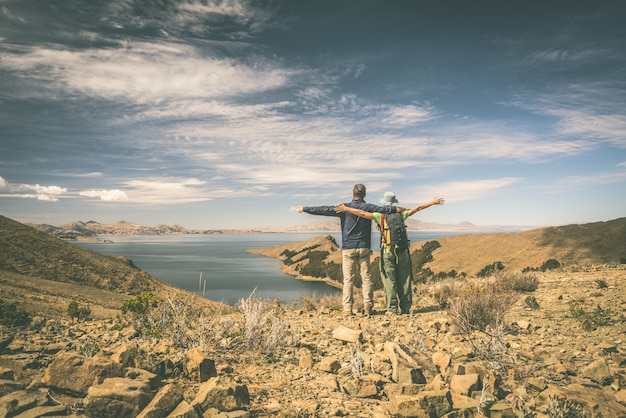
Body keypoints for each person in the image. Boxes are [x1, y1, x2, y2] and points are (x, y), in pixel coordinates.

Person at [296, 184, 403, 316]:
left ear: (353, 193)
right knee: (367, 278)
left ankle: (347, 309)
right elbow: (386, 209)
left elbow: (324, 209)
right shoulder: (368, 207)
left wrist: (305, 208)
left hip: (348, 248)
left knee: (348, 280)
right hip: (364, 247)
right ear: (364, 194)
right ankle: (368, 306)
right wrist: (402, 209)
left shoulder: (344, 208)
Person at [335, 192, 444, 315]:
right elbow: (418, 208)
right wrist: (432, 202)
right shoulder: (402, 214)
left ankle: (392, 309)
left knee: (389, 280)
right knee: (405, 279)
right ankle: (406, 308)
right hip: (402, 250)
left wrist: (346, 208)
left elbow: (362, 213)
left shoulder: (380, 216)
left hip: (387, 251)